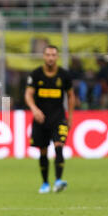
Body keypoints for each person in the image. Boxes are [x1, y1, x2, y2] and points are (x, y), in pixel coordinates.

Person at [24, 45, 75, 194]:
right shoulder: (36, 74)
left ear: (57, 57)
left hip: (58, 118)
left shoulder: (64, 75)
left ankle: (58, 181)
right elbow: (28, 94)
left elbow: (71, 95)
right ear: (44, 56)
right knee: (43, 151)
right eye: (48, 55)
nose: (50, 58)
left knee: (59, 146)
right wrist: (34, 109)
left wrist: (70, 116)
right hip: (41, 119)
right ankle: (45, 183)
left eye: (53, 55)